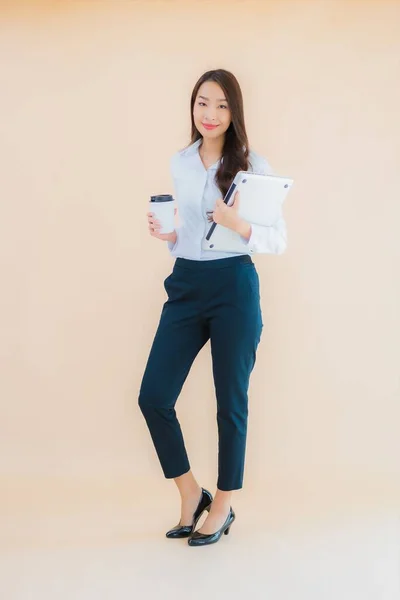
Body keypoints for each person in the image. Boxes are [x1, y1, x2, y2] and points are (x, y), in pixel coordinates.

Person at [138, 68, 287, 547]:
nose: (211, 113)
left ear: (234, 112)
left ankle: (221, 505)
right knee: (154, 397)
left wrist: (237, 223)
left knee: (230, 402)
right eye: (203, 102)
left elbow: (276, 239)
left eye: (222, 105)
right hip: (186, 283)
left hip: (233, 287)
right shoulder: (180, 162)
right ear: (193, 106)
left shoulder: (253, 167)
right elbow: (190, 235)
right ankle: (190, 492)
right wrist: (169, 236)